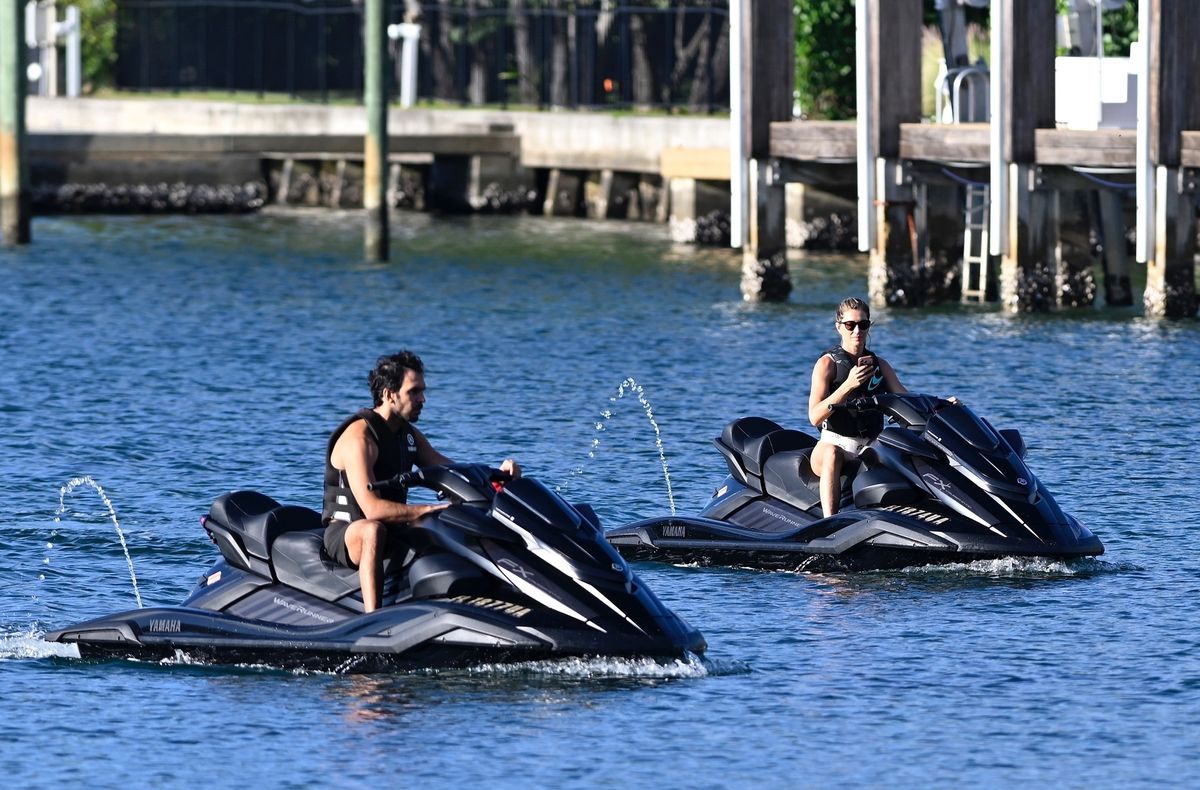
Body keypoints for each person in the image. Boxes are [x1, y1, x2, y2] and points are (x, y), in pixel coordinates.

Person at [322, 350, 520, 612]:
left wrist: (497, 474)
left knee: (446, 527)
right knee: (373, 530)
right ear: (390, 394)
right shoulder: (360, 439)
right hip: (347, 533)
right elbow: (372, 510)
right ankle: (372, 619)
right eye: (414, 392)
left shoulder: (407, 435)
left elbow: (452, 469)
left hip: (391, 526)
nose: (422, 399)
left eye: (422, 391)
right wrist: (426, 510)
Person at [807, 297, 906, 518]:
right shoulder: (827, 364)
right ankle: (830, 522)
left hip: (870, 447)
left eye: (863, 324)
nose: (857, 331)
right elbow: (814, 416)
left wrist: (941, 404)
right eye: (850, 325)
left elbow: (906, 398)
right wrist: (848, 385)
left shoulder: (880, 364)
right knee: (833, 453)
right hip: (833, 444)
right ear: (839, 327)